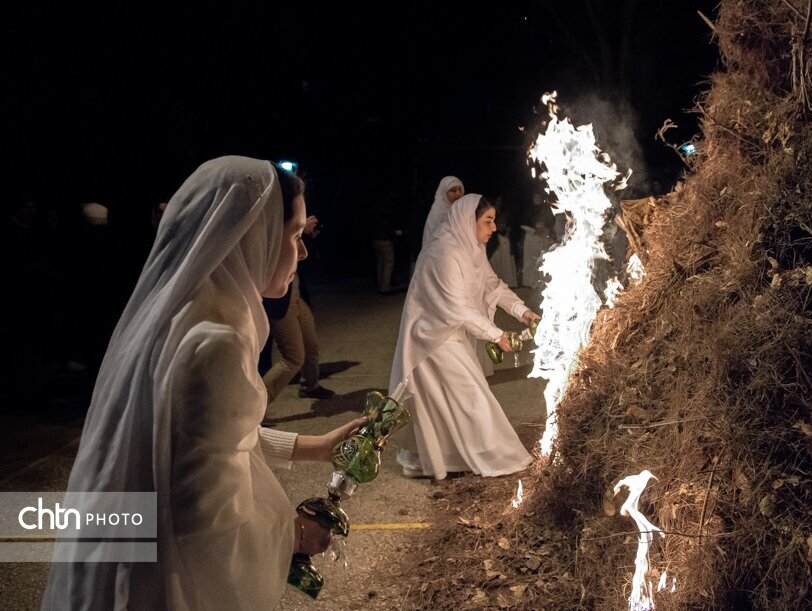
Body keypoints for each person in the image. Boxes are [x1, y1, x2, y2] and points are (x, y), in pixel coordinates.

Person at [42, 156, 367, 611]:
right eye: (294, 235)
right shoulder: (219, 341)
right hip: (162, 583)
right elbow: (203, 513)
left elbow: (188, 436)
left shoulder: (176, 314)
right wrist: (293, 532)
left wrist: (314, 446)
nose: (304, 251)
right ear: (253, 235)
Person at [390, 193, 539, 480]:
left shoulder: (471, 247)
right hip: (431, 338)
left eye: (493, 221)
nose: (493, 228)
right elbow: (455, 306)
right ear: (465, 220)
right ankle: (498, 457)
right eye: (487, 221)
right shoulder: (443, 252)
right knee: (471, 395)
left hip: (449, 333)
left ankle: (437, 459)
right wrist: (495, 334)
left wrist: (523, 312)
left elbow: (492, 284)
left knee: (449, 400)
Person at [261, 213, 334, 401]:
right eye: (297, 237)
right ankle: (255, 408)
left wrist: (303, 233)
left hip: (296, 296)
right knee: (293, 357)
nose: (302, 253)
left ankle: (310, 386)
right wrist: (301, 228)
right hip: (279, 299)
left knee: (311, 345)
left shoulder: (288, 226)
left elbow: (305, 259)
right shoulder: (268, 225)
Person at [420, 175, 464, 247]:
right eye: (453, 190)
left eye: (460, 190)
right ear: (443, 192)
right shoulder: (438, 212)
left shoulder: (459, 211)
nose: (458, 194)